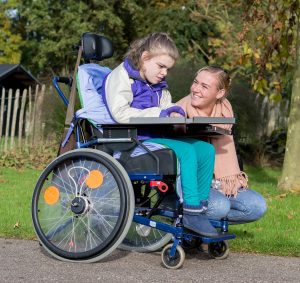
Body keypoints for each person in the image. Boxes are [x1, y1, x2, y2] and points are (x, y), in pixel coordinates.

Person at [103, 32, 219, 237]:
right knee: (186, 152)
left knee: (206, 150)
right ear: (145, 57)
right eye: (161, 66)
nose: (164, 73)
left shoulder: (156, 83)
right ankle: (191, 211)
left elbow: (166, 105)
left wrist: (174, 110)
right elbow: (119, 113)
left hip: (156, 137)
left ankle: (200, 210)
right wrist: (160, 113)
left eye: (168, 69)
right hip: (132, 142)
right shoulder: (121, 76)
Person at [176, 66, 267, 224]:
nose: (196, 89)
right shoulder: (178, 111)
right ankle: (187, 222)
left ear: (219, 93)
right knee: (220, 206)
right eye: (195, 82)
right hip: (191, 185)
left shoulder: (225, 112)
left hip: (220, 184)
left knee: (257, 206)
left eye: (204, 86)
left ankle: (200, 224)